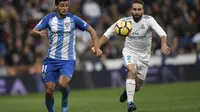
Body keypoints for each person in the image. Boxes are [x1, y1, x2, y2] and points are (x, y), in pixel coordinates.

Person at [92, 0, 171, 111]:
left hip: (144, 57)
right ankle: (130, 103)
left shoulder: (149, 20)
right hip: (129, 52)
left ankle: (127, 91)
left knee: (137, 87)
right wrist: (97, 47)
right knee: (132, 70)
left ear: (143, 11)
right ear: (131, 10)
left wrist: (163, 44)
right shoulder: (124, 22)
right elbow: (107, 34)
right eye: (134, 9)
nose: (137, 11)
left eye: (139, 9)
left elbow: (162, 33)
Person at [30, 0, 103, 112]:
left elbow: (92, 31)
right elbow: (33, 31)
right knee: (49, 90)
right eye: (62, 6)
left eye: (66, 6)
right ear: (56, 6)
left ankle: (65, 99)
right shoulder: (49, 18)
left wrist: (97, 48)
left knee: (63, 84)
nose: (65, 8)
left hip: (68, 59)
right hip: (51, 59)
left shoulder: (73, 19)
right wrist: (39, 33)